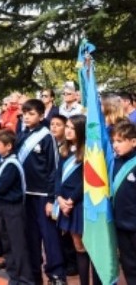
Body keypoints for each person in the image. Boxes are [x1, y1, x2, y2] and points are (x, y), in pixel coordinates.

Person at [17, 98, 66, 285]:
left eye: (31, 114)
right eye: (25, 114)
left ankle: (56, 274)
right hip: (25, 195)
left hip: (43, 196)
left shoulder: (47, 137)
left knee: (50, 236)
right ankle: (34, 272)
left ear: (41, 115)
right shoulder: (21, 136)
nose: (27, 117)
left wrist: (51, 198)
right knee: (31, 236)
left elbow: (54, 169)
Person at [49, 115, 96, 285]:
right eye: (67, 126)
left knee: (89, 246)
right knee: (78, 246)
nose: (68, 130)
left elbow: (87, 180)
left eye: (72, 127)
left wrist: (71, 201)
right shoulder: (65, 150)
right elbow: (58, 177)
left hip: (79, 202)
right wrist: (59, 198)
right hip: (65, 202)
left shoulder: (89, 152)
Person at [0, 130, 33, 285]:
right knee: (8, 244)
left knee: (18, 245)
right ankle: (14, 276)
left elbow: (2, 187)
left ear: (9, 146)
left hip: (14, 208)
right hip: (4, 208)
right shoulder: (4, 161)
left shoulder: (12, 164)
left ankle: (25, 279)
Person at [112, 120, 136, 284]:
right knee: (128, 266)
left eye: (120, 141)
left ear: (133, 141)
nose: (115, 145)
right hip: (121, 225)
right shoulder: (115, 162)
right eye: (114, 141)